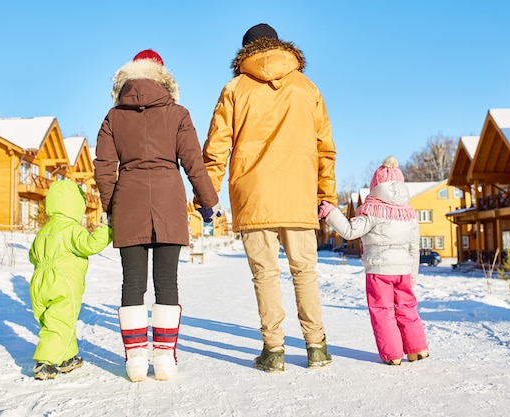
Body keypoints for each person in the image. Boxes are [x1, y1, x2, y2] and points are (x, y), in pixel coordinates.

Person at [197, 24, 337, 373]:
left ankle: (274, 351)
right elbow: (325, 149)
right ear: (279, 46)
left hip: (254, 193)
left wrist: (207, 194)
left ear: (247, 51)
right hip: (299, 194)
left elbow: (217, 148)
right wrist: (326, 195)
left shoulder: (235, 88)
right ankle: (316, 347)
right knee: (305, 272)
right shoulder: (307, 88)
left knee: (266, 274)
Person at [94, 49, 218, 382]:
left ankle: (135, 361)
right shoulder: (178, 113)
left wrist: (111, 206)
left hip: (129, 200)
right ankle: (164, 359)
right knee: (167, 284)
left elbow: (104, 167)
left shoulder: (113, 116)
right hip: (168, 199)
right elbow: (193, 160)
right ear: (163, 78)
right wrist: (207, 201)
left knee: (132, 283)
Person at [318, 156, 429, 365]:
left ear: (375, 185)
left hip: (379, 271)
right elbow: (415, 248)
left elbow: (350, 231)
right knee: (406, 307)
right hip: (403, 270)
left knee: (382, 310)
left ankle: (393, 355)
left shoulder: (373, 210)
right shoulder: (409, 213)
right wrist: (413, 275)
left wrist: (331, 213)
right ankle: (418, 349)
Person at [29, 180, 112, 380]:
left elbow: (32, 255)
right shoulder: (71, 229)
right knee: (60, 321)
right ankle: (45, 362)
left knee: (55, 321)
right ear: (75, 205)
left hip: (39, 282)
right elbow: (89, 245)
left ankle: (68, 358)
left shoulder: (45, 230)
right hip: (63, 282)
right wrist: (106, 229)